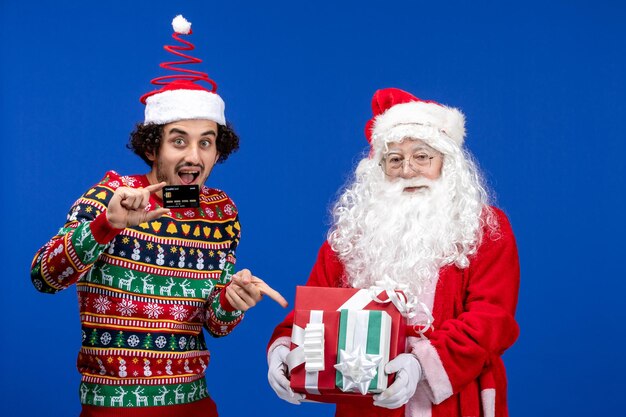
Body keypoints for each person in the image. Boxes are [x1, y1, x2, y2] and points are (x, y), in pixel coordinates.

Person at [30, 15, 286, 417]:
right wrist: (106, 225)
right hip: (114, 408)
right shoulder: (110, 196)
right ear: (152, 148)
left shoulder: (221, 212)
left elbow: (214, 324)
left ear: (219, 151)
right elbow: (44, 277)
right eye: (178, 141)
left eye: (206, 143)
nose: (193, 156)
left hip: (196, 404)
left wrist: (234, 299)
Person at [267, 88, 520, 417]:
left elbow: (491, 320)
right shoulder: (350, 237)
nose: (408, 170)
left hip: (451, 401)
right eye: (395, 159)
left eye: (422, 156)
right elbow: (313, 311)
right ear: (379, 168)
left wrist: (421, 366)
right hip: (368, 404)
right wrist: (285, 351)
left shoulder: (485, 228)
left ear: (447, 163)